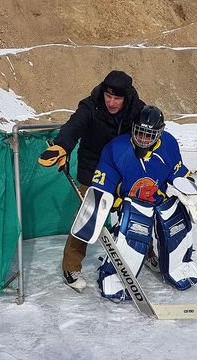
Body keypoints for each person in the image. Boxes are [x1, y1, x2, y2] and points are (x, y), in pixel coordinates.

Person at [71, 105, 197, 301]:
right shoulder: (116, 148)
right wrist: (100, 207)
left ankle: (179, 266)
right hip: (132, 203)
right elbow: (104, 183)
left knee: (176, 222)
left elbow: (177, 172)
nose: (143, 139)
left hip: (159, 199)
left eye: (149, 134)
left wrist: (191, 191)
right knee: (136, 232)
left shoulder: (168, 143)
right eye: (140, 133)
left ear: (160, 133)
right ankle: (116, 277)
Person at [38, 70, 146, 292]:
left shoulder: (137, 109)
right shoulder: (91, 106)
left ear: (126, 97)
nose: (111, 102)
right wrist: (61, 146)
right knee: (89, 217)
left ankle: (148, 251)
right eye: (109, 96)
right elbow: (73, 127)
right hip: (94, 169)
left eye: (117, 98)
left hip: (124, 169)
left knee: (139, 211)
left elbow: (148, 131)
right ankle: (70, 267)